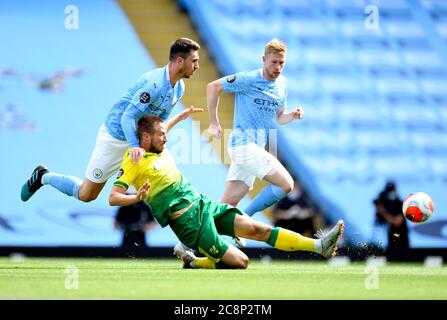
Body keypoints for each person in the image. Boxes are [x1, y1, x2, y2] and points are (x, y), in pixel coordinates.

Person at [109, 115, 345, 269]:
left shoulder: (158, 144)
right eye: (162, 134)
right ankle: (195, 263)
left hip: (204, 204)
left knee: (259, 229)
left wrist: (181, 115)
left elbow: (161, 128)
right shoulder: (133, 160)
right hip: (189, 224)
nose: (166, 137)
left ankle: (318, 247)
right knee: (241, 262)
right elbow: (113, 197)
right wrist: (136, 197)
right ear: (147, 137)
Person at [20, 38, 202, 203]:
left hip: (138, 143)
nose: (197, 65)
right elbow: (127, 116)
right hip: (116, 137)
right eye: (194, 61)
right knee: (86, 194)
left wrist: (176, 120)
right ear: (179, 61)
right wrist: (134, 146)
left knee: (159, 184)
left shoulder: (179, 88)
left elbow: (157, 124)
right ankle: (43, 176)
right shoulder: (153, 84)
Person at [206, 39, 303, 245]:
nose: (277, 67)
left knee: (227, 206)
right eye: (274, 62)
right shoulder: (249, 79)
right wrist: (213, 123)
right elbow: (213, 87)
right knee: (287, 184)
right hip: (243, 146)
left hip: (253, 149)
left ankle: (187, 243)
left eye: (281, 63)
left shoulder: (282, 85)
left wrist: (291, 115)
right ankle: (245, 218)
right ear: (264, 59)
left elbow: (279, 117)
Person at [373, 181, 409, 249]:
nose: (390, 193)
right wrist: (378, 207)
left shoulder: (400, 203)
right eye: (389, 191)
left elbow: (397, 222)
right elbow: (379, 220)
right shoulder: (387, 205)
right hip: (391, 238)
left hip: (401, 238)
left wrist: (382, 211)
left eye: (392, 190)